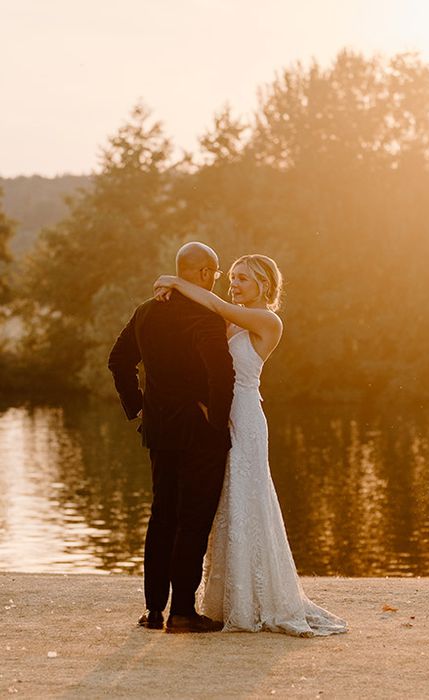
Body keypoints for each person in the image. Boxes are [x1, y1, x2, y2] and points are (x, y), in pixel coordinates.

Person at [153, 253, 347, 636]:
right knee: (225, 502)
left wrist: (173, 281)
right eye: (235, 277)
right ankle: (229, 599)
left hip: (245, 417)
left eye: (243, 279)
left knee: (247, 498)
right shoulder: (227, 318)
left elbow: (214, 302)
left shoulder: (267, 321)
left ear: (264, 285)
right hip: (217, 415)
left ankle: (259, 598)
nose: (235, 284)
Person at [108, 242, 235, 633]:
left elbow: (118, 360)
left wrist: (140, 405)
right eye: (214, 273)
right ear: (202, 273)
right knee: (193, 520)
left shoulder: (147, 312)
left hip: (160, 430)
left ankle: (153, 611)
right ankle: (182, 611)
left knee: (162, 516)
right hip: (200, 433)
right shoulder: (206, 317)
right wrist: (217, 420)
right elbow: (221, 374)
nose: (215, 281)